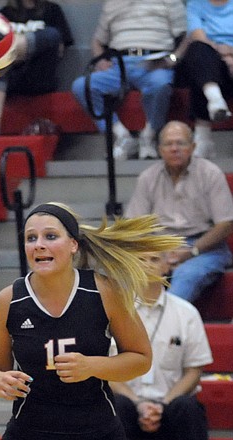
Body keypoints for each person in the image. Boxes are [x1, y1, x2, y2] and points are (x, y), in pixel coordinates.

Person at [0, 202, 184, 440]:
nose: (39, 245)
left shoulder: (104, 291)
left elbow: (141, 359)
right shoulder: (9, 299)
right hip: (29, 430)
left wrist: (91, 366)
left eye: (50, 236)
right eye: (31, 238)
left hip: (97, 430)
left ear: (73, 244)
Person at [125, 120, 233, 302]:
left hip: (204, 248)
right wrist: (156, 253)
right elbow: (133, 226)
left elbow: (226, 224)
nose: (174, 148)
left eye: (180, 143)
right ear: (160, 149)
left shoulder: (210, 173)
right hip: (158, 248)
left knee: (186, 274)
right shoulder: (148, 177)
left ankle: (164, 327)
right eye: (168, 144)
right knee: (121, 273)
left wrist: (192, 251)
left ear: (193, 147)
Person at [109, 251, 212, 440]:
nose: (148, 264)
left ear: (167, 266)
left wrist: (163, 404)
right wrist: (138, 403)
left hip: (170, 406)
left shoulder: (186, 313)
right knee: (115, 404)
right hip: (128, 406)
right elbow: (106, 370)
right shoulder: (114, 311)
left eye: (154, 259)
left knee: (187, 407)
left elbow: (194, 370)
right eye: (141, 258)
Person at [71, 0, 187, 160]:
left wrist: (172, 59)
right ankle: (121, 135)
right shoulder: (112, 3)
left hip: (154, 61)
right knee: (81, 86)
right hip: (119, 62)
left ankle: (149, 136)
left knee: (160, 84)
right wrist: (99, 60)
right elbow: (98, 40)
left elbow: (186, 37)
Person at [0, 0, 74, 136]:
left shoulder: (52, 10)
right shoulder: (4, 14)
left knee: (52, 34)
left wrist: (22, 48)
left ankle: (11, 48)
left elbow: (59, 50)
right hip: (11, 77)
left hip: (39, 74)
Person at [175, 0, 233, 159]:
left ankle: (203, 137)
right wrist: (223, 55)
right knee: (198, 52)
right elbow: (198, 35)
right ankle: (214, 99)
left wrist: (231, 54)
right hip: (211, 56)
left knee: (202, 74)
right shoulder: (196, 4)